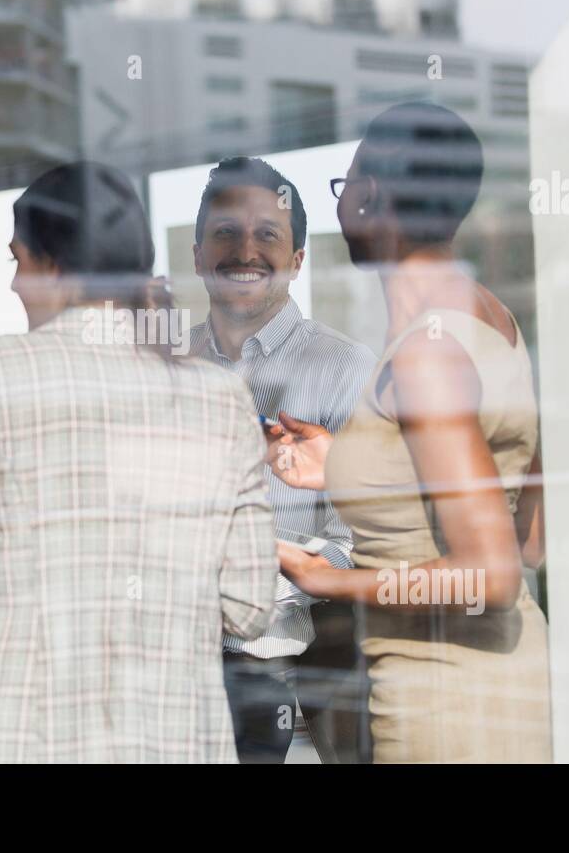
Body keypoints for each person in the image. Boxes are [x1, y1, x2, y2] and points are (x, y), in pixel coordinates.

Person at [0, 161, 278, 763]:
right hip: (173, 738)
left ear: (51, 265)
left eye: (17, 262)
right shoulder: (219, 396)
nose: (14, 285)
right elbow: (248, 606)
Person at [265, 102, 552, 763]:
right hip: (508, 677)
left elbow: (493, 573)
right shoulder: (493, 321)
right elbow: (528, 532)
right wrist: (345, 462)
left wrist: (325, 579)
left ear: (371, 199)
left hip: (445, 702)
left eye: (346, 187)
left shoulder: (424, 356)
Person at [188, 156, 376, 763]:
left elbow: (365, 539)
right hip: (180, 691)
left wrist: (253, 578)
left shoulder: (347, 371)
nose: (246, 250)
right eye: (225, 232)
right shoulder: (164, 371)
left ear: (297, 260)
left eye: (267, 234)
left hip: (303, 697)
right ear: (197, 254)